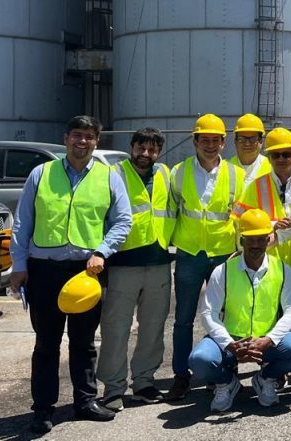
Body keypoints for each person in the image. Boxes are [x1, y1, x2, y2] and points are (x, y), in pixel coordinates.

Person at [9, 115, 132, 434]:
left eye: (89, 137)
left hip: (86, 272)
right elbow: (22, 222)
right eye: (77, 135)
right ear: (66, 139)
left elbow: (123, 221)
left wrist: (102, 251)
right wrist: (18, 266)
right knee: (46, 343)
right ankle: (43, 408)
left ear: (96, 141)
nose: (82, 141)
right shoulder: (41, 173)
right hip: (44, 270)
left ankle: (85, 401)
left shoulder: (108, 177)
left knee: (84, 341)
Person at [189, 209, 291, 412]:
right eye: (250, 239)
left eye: (261, 239)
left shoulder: (282, 269)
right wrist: (229, 344)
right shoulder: (223, 271)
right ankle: (227, 382)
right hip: (231, 340)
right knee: (200, 360)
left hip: (267, 340)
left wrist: (269, 340)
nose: (255, 245)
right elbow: (208, 313)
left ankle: (266, 378)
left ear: (268, 239)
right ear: (241, 240)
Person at [165, 114, 245, 400]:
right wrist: (166, 244)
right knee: (183, 318)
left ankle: (219, 372)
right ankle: (180, 376)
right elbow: (170, 211)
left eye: (216, 140)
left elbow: (240, 215)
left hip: (224, 254)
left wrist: (241, 251)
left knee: (223, 318)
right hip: (189, 253)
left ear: (223, 143)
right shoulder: (178, 172)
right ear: (195, 140)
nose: (210, 145)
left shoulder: (237, 175)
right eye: (205, 139)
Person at [97, 128, 175, 411]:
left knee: (153, 327)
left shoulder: (166, 174)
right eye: (141, 148)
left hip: (158, 261)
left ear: (158, 151)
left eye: (152, 149)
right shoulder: (114, 174)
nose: (146, 154)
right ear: (131, 147)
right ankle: (113, 388)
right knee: (116, 328)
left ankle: (144, 381)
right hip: (123, 262)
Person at [235, 127, 291, 270]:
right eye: (275, 155)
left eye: (286, 154)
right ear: (269, 158)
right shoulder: (255, 186)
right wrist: (273, 224)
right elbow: (242, 222)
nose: (281, 159)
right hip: (268, 264)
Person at [228, 113, 271, 185]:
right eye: (242, 139)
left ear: (261, 141)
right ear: (235, 141)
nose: (247, 143)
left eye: (253, 139)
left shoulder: (272, 168)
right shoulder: (224, 168)